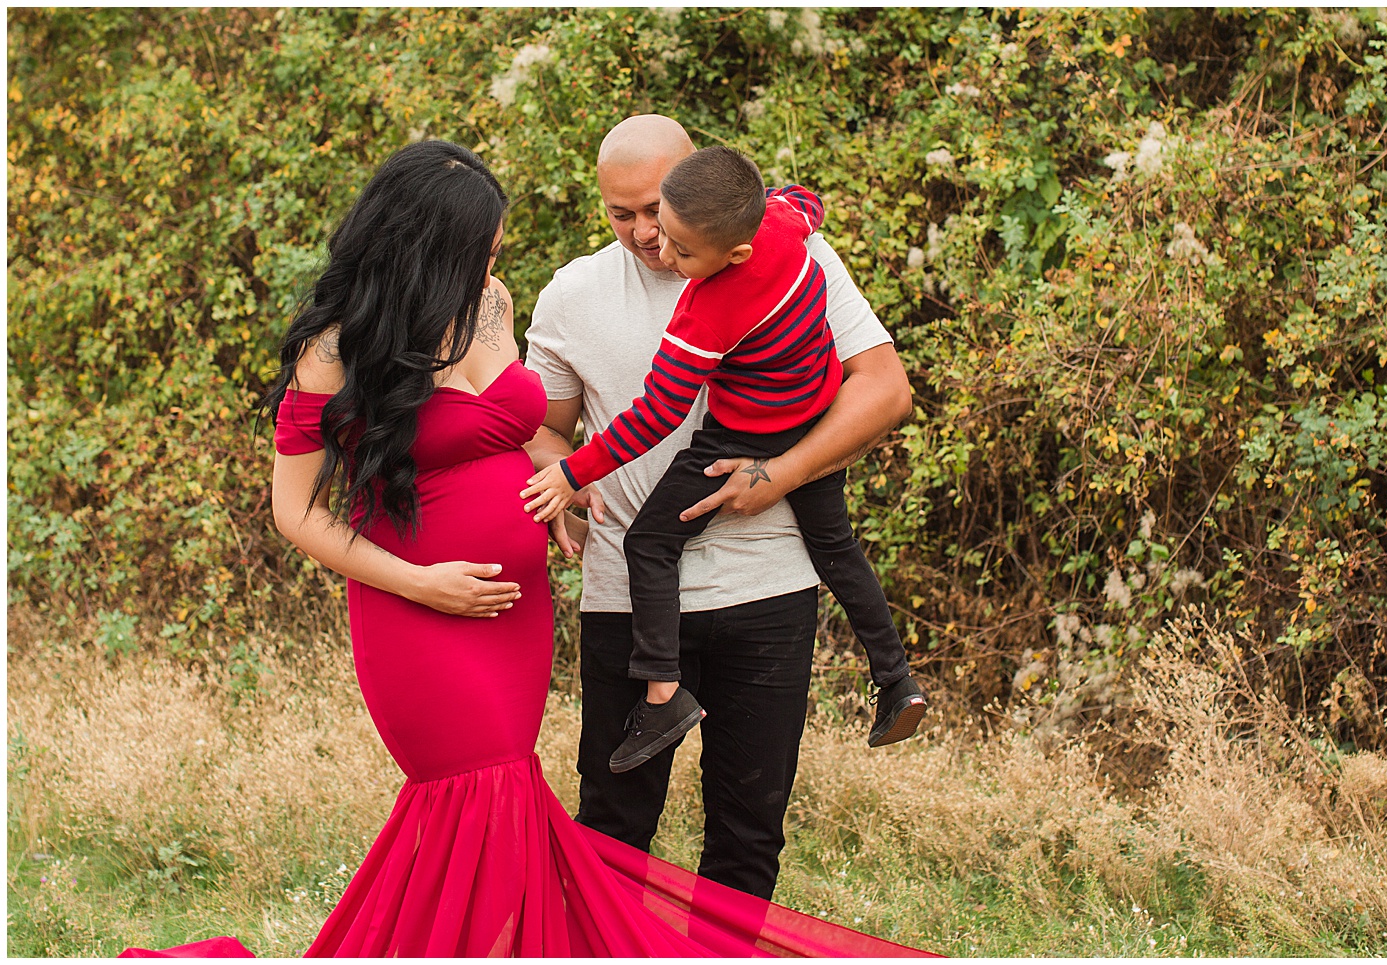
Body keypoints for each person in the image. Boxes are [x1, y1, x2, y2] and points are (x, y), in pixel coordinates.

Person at [144, 138, 929, 957]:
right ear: (425, 246)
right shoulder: (340, 347)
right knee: (486, 807)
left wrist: (554, 494)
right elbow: (296, 511)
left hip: (522, 614)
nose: (491, 265)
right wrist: (424, 580)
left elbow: (512, 432)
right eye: (478, 250)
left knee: (519, 810)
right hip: (425, 610)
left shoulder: (491, 302)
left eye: (493, 251)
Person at [522, 114, 915, 902]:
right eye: (618, 213)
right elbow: (543, 428)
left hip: (768, 588)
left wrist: (777, 474)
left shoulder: (788, 254)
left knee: (746, 837)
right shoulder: (574, 293)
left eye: (652, 209)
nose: (642, 232)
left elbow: (885, 389)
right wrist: (561, 478)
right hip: (627, 601)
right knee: (611, 830)